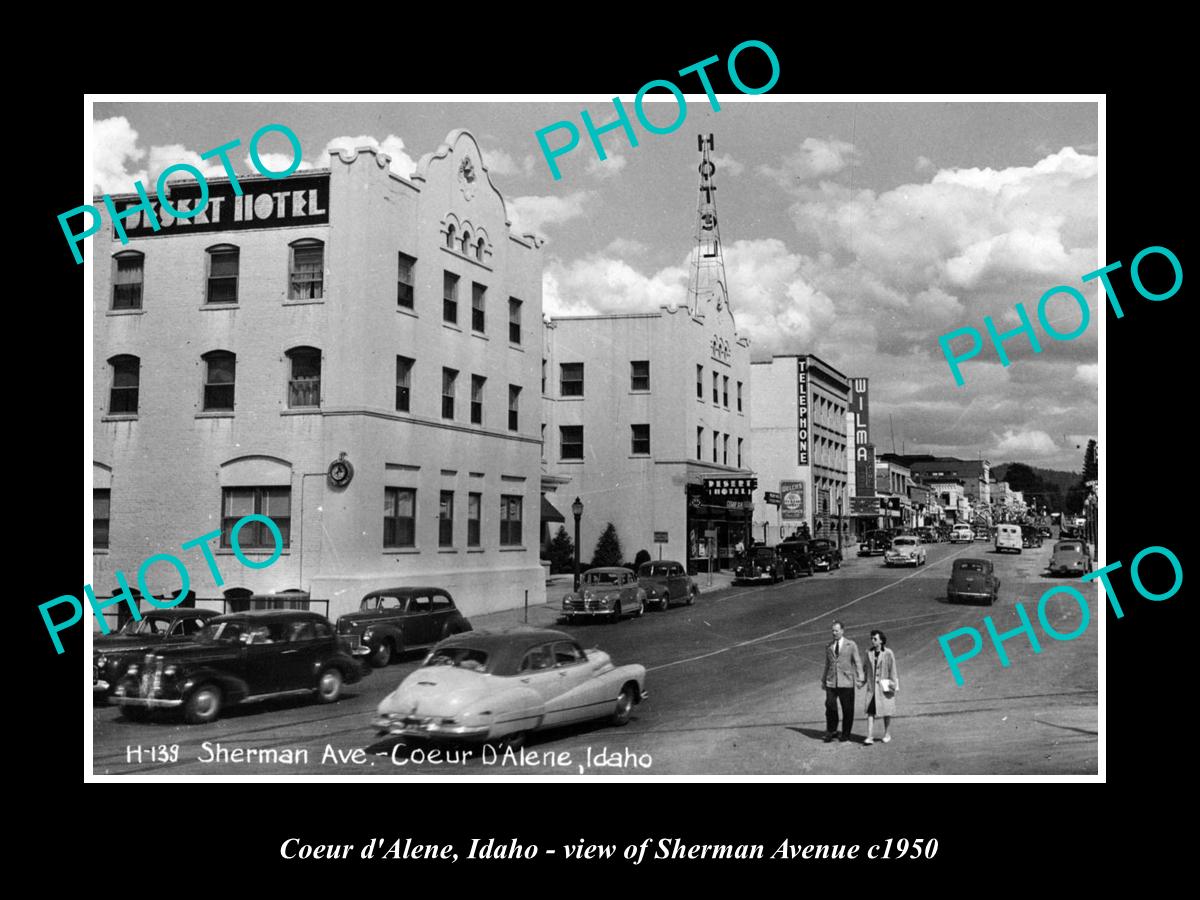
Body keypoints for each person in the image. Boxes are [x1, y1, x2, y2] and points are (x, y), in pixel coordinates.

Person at [820, 620, 865, 742]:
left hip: (846, 682)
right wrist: (824, 680)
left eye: (836, 630)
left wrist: (861, 677)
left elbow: (857, 662)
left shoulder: (851, 645)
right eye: (832, 631)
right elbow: (827, 664)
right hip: (831, 682)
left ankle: (845, 734)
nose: (834, 633)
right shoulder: (829, 646)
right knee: (830, 705)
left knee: (847, 709)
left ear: (842, 631)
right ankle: (831, 730)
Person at [864, 629, 899, 745]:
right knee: (870, 712)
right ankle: (869, 736)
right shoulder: (868, 653)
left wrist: (893, 684)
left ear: (881, 641)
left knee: (886, 711)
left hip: (885, 686)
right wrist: (862, 681)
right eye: (872, 639)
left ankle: (887, 734)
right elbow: (866, 669)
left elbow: (892, 669)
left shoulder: (888, 653)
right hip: (873, 688)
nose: (872, 641)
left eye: (875, 639)